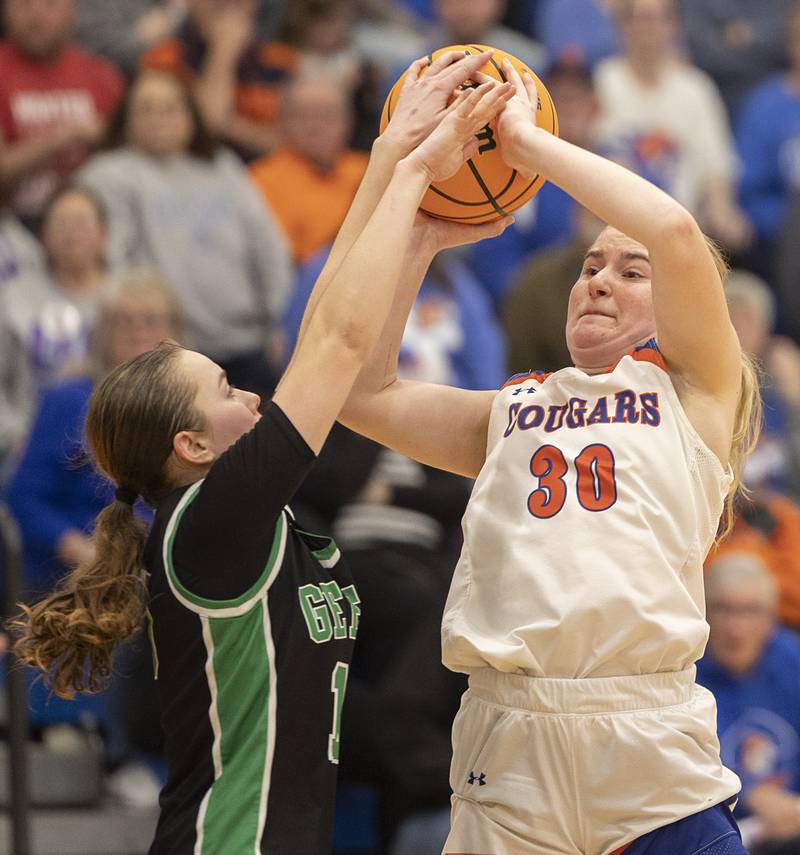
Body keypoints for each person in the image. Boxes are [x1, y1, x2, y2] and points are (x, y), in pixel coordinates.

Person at [9, 51, 514, 855]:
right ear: (192, 443)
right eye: (225, 388)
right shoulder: (212, 521)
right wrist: (407, 160)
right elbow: (337, 341)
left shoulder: (244, 518)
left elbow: (324, 335)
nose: (253, 395)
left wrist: (409, 229)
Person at [338, 57, 762, 854]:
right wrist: (421, 235)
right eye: (589, 265)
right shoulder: (510, 409)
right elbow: (362, 390)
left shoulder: (699, 391)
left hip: (647, 733)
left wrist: (528, 148)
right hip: (510, 740)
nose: (599, 280)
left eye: (629, 272)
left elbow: (673, 231)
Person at [77, 70, 292, 400]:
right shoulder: (108, 175)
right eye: (146, 109)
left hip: (247, 343)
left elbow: (269, 247)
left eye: (169, 108)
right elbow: (110, 264)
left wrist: (279, 320)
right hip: (167, 355)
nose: (158, 120)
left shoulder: (223, 166)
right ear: (126, 120)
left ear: (191, 116)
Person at [593, 0, 752, 255]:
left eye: (655, 18)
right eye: (637, 18)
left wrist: (722, 212)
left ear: (673, 26)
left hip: (683, 227)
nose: (646, 28)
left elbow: (716, 167)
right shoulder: (602, 81)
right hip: (615, 223)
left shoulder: (695, 88)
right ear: (621, 26)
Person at [0, 185, 109, 471]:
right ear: (42, 237)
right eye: (61, 224)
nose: (71, 234)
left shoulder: (127, 298)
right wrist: (15, 436)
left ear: (103, 235)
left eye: (82, 224)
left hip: (115, 441)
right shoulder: (12, 298)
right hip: (28, 442)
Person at [698, 551, 800, 854]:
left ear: (771, 617)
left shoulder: (792, 661)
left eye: (751, 611)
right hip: (714, 835)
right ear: (702, 612)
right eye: (724, 610)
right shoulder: (681, 673)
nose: (736, 628)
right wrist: (750, 794)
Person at [0, 0, 124, 226]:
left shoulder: (102, 75)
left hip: (92, 221)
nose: (36, 17)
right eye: (24, 5)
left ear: (72, 11)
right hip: (13, 220)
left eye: (50, 5)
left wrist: (104, 137)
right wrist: (61, 137)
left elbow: (128, 166)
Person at [248, 74, 369, 265]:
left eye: (327, 114)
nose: (316, 126)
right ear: (282, 122)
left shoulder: (370, 168)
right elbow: (284, 264)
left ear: (348, 122)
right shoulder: (261, 181)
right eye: (304, 115)